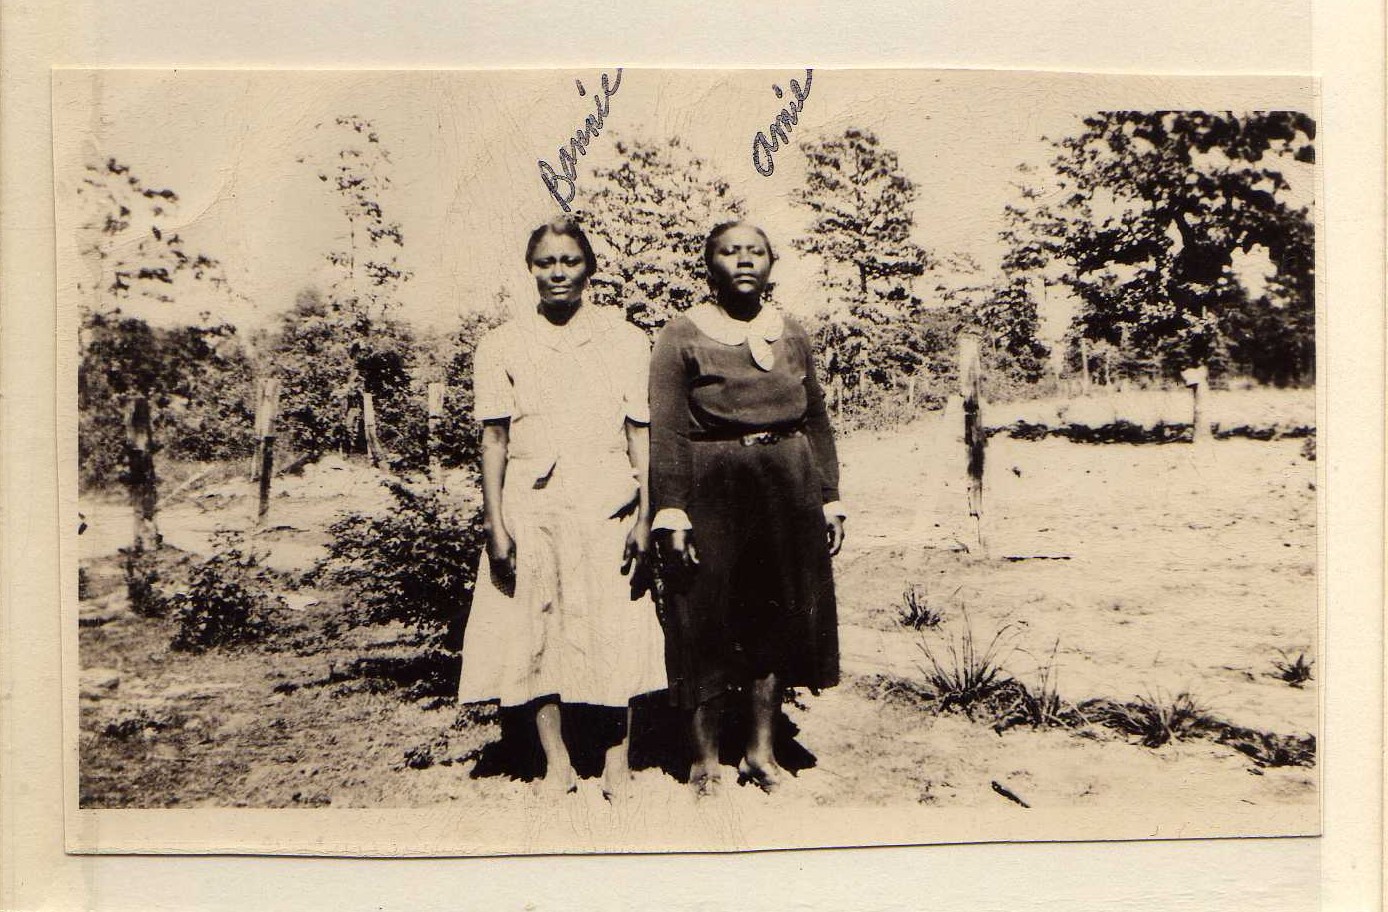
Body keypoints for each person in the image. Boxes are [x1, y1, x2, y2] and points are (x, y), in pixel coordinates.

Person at [457, 217, 666, 801]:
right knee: (535, 626)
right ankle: (558, 764)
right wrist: (496, 523)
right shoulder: (501, 343)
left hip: (607, 502)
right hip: (532, 505)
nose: (558, 272)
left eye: (570, 261)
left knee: (615, 625)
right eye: (546, 262)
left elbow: (640, 434)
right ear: (531, 269)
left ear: (589, 268)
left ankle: (618, 763)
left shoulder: (625, 339)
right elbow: (494, 438)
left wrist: (645, 515)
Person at [649, 221, 845, 797]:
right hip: (713, 485)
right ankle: (704, 761)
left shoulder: (791, 333)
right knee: (702, 617)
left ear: (770, 263)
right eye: (729, 252)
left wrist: (829, 497)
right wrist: (672, 511)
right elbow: (667, 429)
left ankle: (760, 754)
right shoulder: (681, 334)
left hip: (788, 485)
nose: (743, 261)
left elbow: (816, 419)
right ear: (709, 264)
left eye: (755, 251)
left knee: (777, 615)